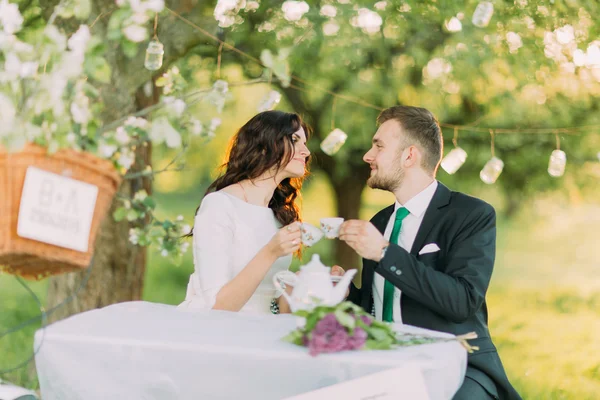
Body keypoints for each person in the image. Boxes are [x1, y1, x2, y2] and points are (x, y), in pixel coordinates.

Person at [339, 106, 521, 400]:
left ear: (409, 155)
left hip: (457, 364)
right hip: (382, 363)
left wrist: (385, 254)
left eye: (379, 146)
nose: (367, 156)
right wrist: (346, 293)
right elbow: (380, 309)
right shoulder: (379, 223)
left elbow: (462, 302)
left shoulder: (471, 215)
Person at [178, 110, 313, 314]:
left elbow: (274, 304)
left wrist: (306, 285)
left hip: (262, 332)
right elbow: (217, 306)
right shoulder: (219, 205)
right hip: (218, 334)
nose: (306, 151)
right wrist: (270, 251)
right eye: (295, 140)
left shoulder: (279, 215)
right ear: (266, 145)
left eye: (305, 143)